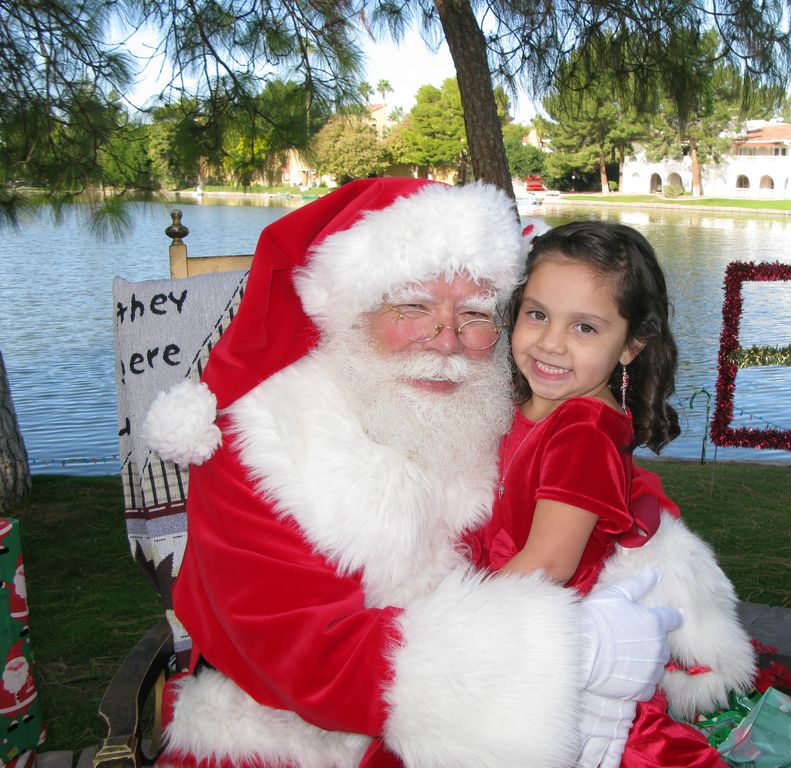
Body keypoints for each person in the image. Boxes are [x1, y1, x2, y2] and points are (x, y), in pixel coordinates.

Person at [144, 177, 752, 768]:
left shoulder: (485, 401)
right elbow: (305, 657)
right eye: (413, 306)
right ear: (353, 309)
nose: (447, 341)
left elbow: (602, 490)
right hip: (288, 735)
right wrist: (567, 649)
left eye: (476, 314)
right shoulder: (264, 441)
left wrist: (666, 584)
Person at [468, 221, 734, 766]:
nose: (550, 342)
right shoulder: (536, 408)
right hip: (518, 614)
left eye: (585, 328)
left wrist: (457, 624)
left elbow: (548, 563)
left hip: (559, 648)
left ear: (632, 345)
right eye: (537, 314)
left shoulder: (583, 432)